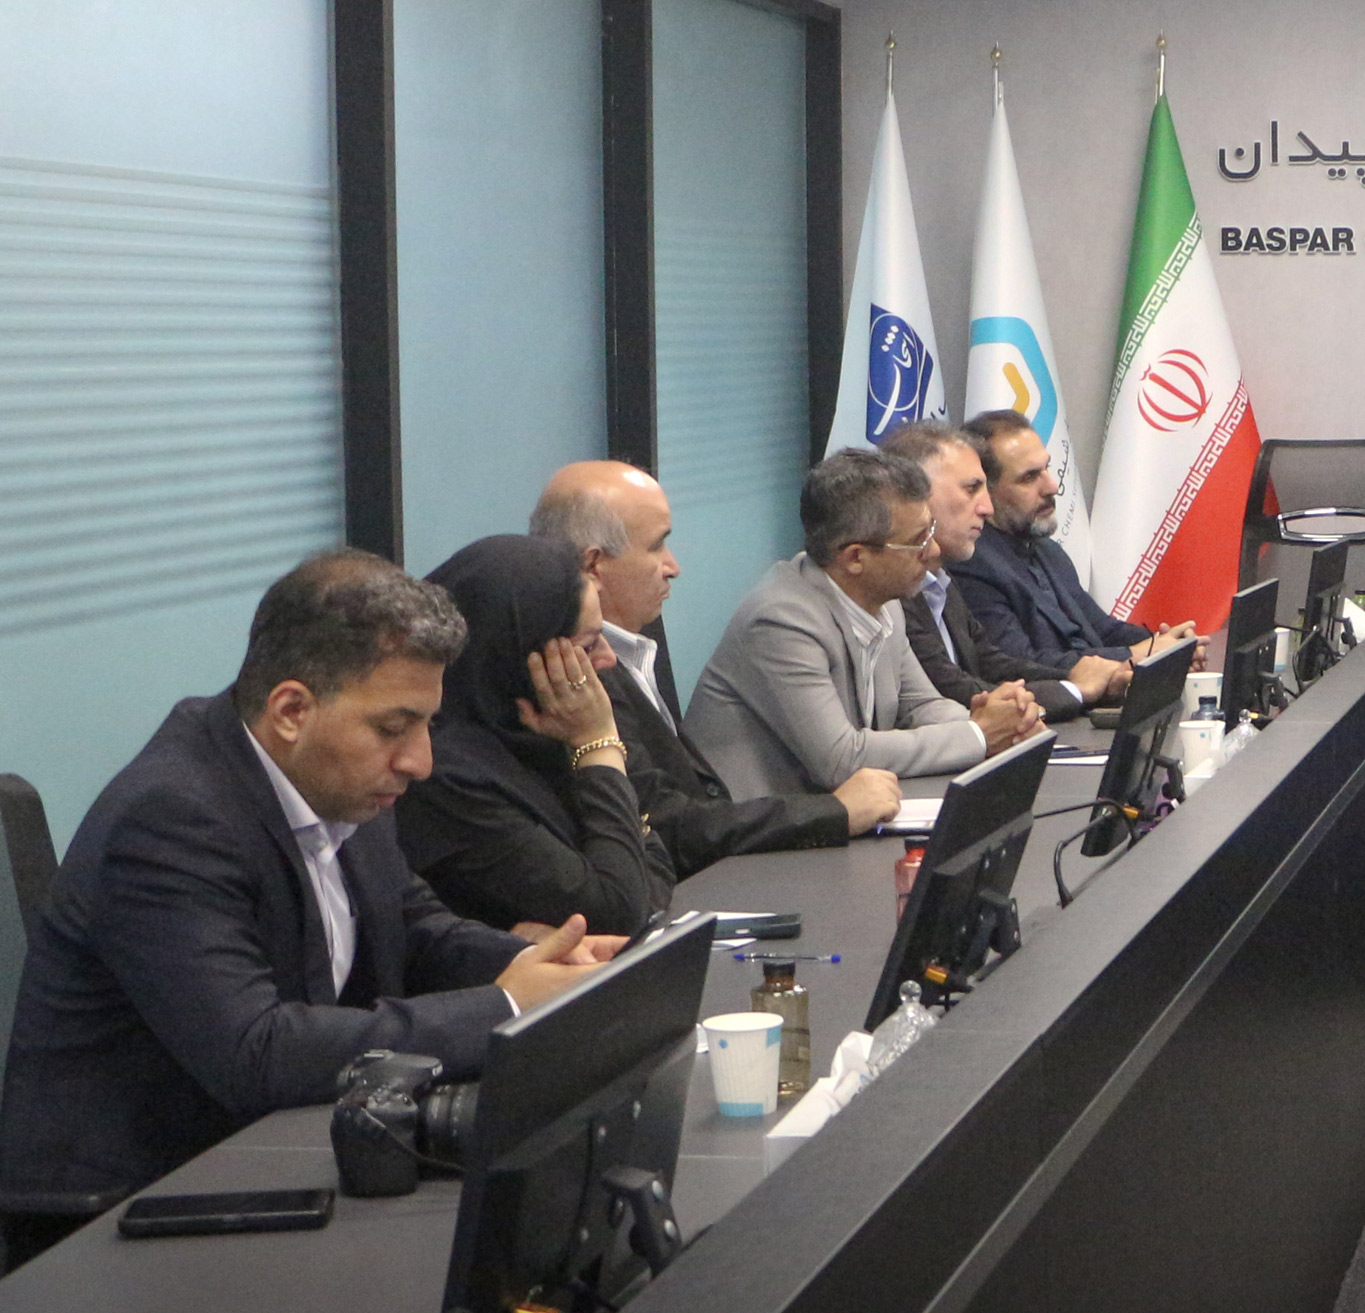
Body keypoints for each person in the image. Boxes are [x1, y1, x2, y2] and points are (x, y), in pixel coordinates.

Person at [0, 552, 611, 1232]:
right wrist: (506, 1003)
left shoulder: (336, 779)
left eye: (427, 725)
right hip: (130, 1212)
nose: (420, 761)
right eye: (393, 727)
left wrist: (546, 967)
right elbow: (254, 1052)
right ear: (291, 709)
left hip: (271, 1155)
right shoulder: (172, 818)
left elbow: (412, 925)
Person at [534, 462, 892, 866]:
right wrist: (835, 812)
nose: (673, 567)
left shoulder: (633, 647)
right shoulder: (578, 674)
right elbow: (664, 821)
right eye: (656, 547)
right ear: (594, 566)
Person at [684, 449, 1043, 802]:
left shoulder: (885, 603)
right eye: (917, 541)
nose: (934, 551)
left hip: (839, 815)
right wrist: (978, 734)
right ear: (856, 557)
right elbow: (841, 759)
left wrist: (1002, 723)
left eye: (930, 531)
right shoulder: (781, 621)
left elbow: (919, 705)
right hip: (759, 827)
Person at [393, 536, 675, 936]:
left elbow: (656, 863)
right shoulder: (442, 779)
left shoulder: (541, 734)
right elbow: (618, 911)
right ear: (518, 654)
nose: (608, 659)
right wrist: (599, 745)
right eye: (587, 645)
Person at [878, 419, 1112, 721]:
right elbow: (956, 691)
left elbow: (992, 663)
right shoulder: (893, 591)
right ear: (916, 498)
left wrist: (1087, 679)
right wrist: (1076, 689)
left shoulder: (941, 580)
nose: (987, 508)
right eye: (971, 489)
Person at [952, 411, 1195, 678]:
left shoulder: (1047, 550)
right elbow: (1019, 663)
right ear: (986, 491)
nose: (1052, 486)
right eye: (1029, 478)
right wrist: (1136, 655)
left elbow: (1103, 630)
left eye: (1047, 468)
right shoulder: (972, 563)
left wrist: (1169, 646)